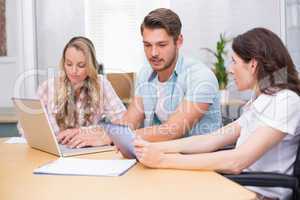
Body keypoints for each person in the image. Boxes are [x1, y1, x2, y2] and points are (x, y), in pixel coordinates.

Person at [134, 28, 300, 200]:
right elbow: (212, 139)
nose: (230, 70)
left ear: (253, 64)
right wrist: (154, 147)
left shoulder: (285, 101)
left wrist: (162, 160)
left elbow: (237, 161)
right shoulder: (263, 99)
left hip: (258, 195)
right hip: (238, 186)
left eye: (234, 62)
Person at [121, 8, 221, 142]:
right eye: (147, 45)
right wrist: (105, 135)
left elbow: (172, 131)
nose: (153, 53)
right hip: (158, 156)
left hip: (197, 159)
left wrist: (122, 136)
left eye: (161, 45)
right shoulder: (145, 73)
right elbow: (129, 122)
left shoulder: (200, 76)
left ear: (178, 41)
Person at [19, 36, 126, 148]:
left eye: (81, 65)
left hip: (87, 151)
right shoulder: (48, 87)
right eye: (69, 64)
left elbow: (124, 124)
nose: (73, 71)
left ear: (91, 66)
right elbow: (25, 127)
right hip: (53, 151)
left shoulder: (101, 85)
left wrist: (83, 131)